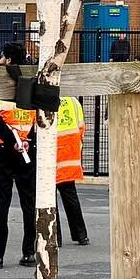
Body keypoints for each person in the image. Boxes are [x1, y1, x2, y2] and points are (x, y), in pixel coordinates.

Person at [0, 42, 37, 269]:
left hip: (1, 149)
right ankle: (29, 253)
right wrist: (27, 141)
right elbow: (39, 113)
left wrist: (10, 141)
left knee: (0, 202)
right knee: (29, 203)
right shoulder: (31, 79)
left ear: (6, 58)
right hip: (26, 148)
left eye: (1, 56)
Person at [54, 95, 90, 245]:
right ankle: (80, 235)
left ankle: (56, 237)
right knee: (70, 196)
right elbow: (82, 128)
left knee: (49, 199)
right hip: (69, 157)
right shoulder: (74, 102)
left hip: (51, 156)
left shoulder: (45, 99)